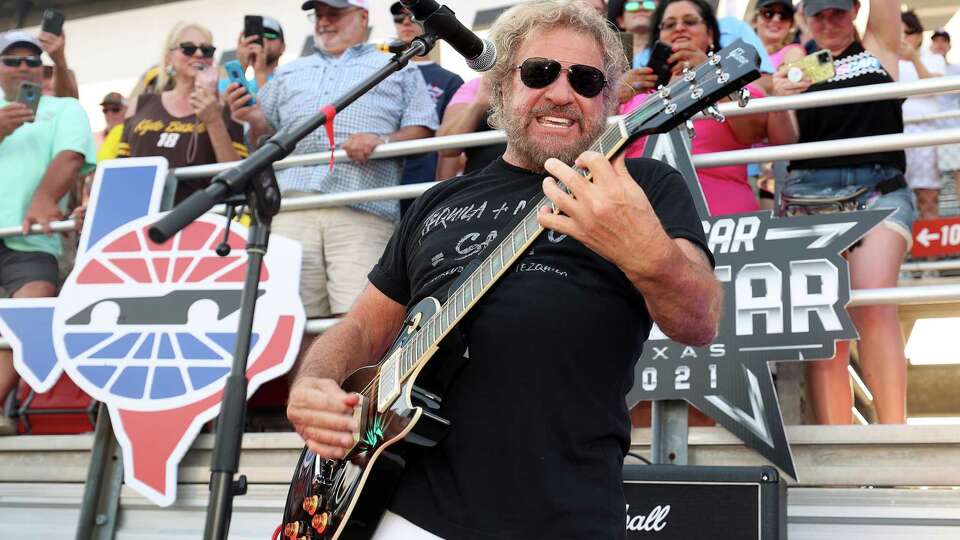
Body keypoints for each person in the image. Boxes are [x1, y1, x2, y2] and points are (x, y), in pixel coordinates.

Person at [285, 1, 721, 538]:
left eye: (586, 80)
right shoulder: (439, 200)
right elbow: (359, 327)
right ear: (500, 86)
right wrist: (313, 385)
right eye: (540, 73)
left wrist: (644, 250)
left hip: (558, 515)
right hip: (395, 508)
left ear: (608, 99)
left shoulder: (641, 186)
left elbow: (699, 320)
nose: (562, 94)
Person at [226, 0, 437, 322]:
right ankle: (307, 377)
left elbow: (422, 129)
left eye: (334, 14)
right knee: (292, 321)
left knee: (359, 325)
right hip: (292, 208)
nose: (323, 22)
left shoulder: (397, 64)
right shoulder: (288, 72)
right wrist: (253, 120)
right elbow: (261, 140)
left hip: (362, 206)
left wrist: (381, 141)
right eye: (318, 15)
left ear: (362, 17)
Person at [774, 0, 912, 425]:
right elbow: (785, 140)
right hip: (807, 193)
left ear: (855, 9)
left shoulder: (878, 46)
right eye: (818, 13)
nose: (829, 20)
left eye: (837, 9)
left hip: (878, 185)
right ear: (805, 18)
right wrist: (779, 96)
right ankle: (839, 449)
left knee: (873, 303)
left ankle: (895, 441)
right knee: (826, 322)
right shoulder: (805, 65)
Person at [0, 31, 95, 435]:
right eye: (12, 59)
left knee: (30, 314)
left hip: (32, 240)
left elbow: (72, 156)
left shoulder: (66, 107)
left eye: (32, 60)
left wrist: (44, 197)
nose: (24, 67)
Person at [622, 0, 799, 216]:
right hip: (642, 216)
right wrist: (612, 94)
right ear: (658, 37)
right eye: (669, 24)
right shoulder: (636, 93)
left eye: (689, 21)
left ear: (710, 35)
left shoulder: (736, 86)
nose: (679, 28)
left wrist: (712, 73)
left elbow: (755, 132)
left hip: (723, 220)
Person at [118, 22, 248, 204]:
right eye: (188, 49)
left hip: (199, 218)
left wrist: (214, 121)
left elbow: (237, 176)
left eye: (207, 50)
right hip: (140, 215)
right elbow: (119, 170)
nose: (199, 54)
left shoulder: (227, 107)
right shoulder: (140, 104)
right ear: (169, 57)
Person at [390, 1, 463, 209]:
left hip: (424, 180)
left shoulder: (450, 80)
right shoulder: (380, 74)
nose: (405, 22)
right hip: (382, 179)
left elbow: (455, 138)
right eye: (398, 18)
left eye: (411, 16)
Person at [899, 10, 945, 220]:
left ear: (917, 35)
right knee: (897, 198)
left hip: (927, 135)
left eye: (906, 33)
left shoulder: (933, 59)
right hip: (897, 136)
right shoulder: (887, 59)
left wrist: (914, 58)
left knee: (928, 195)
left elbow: (933, 87)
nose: (902, 38)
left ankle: (931, 252)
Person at [217, 16, 286, 96]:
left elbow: (275, 106)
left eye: (270, 35)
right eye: (258, 35)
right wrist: (240, 66)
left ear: (283, 47)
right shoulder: (224, 83)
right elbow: (220, 106)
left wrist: (260, 74)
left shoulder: (289, 81)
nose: (264, 40)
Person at [931, 29, 960, 200]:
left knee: (958, 174)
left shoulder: (956, 70)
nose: (940, 44)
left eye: (944, 41)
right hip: (927, 130)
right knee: (927, 185)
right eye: (937, 41)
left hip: (952, 130)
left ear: (949, 45)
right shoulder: (919, 67)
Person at [753, 0, 806, 69]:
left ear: (791, 25)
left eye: (783, 16)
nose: (776, 19)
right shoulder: (740, 49)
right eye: (768, 13)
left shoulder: (793, 53)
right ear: (754, 20)